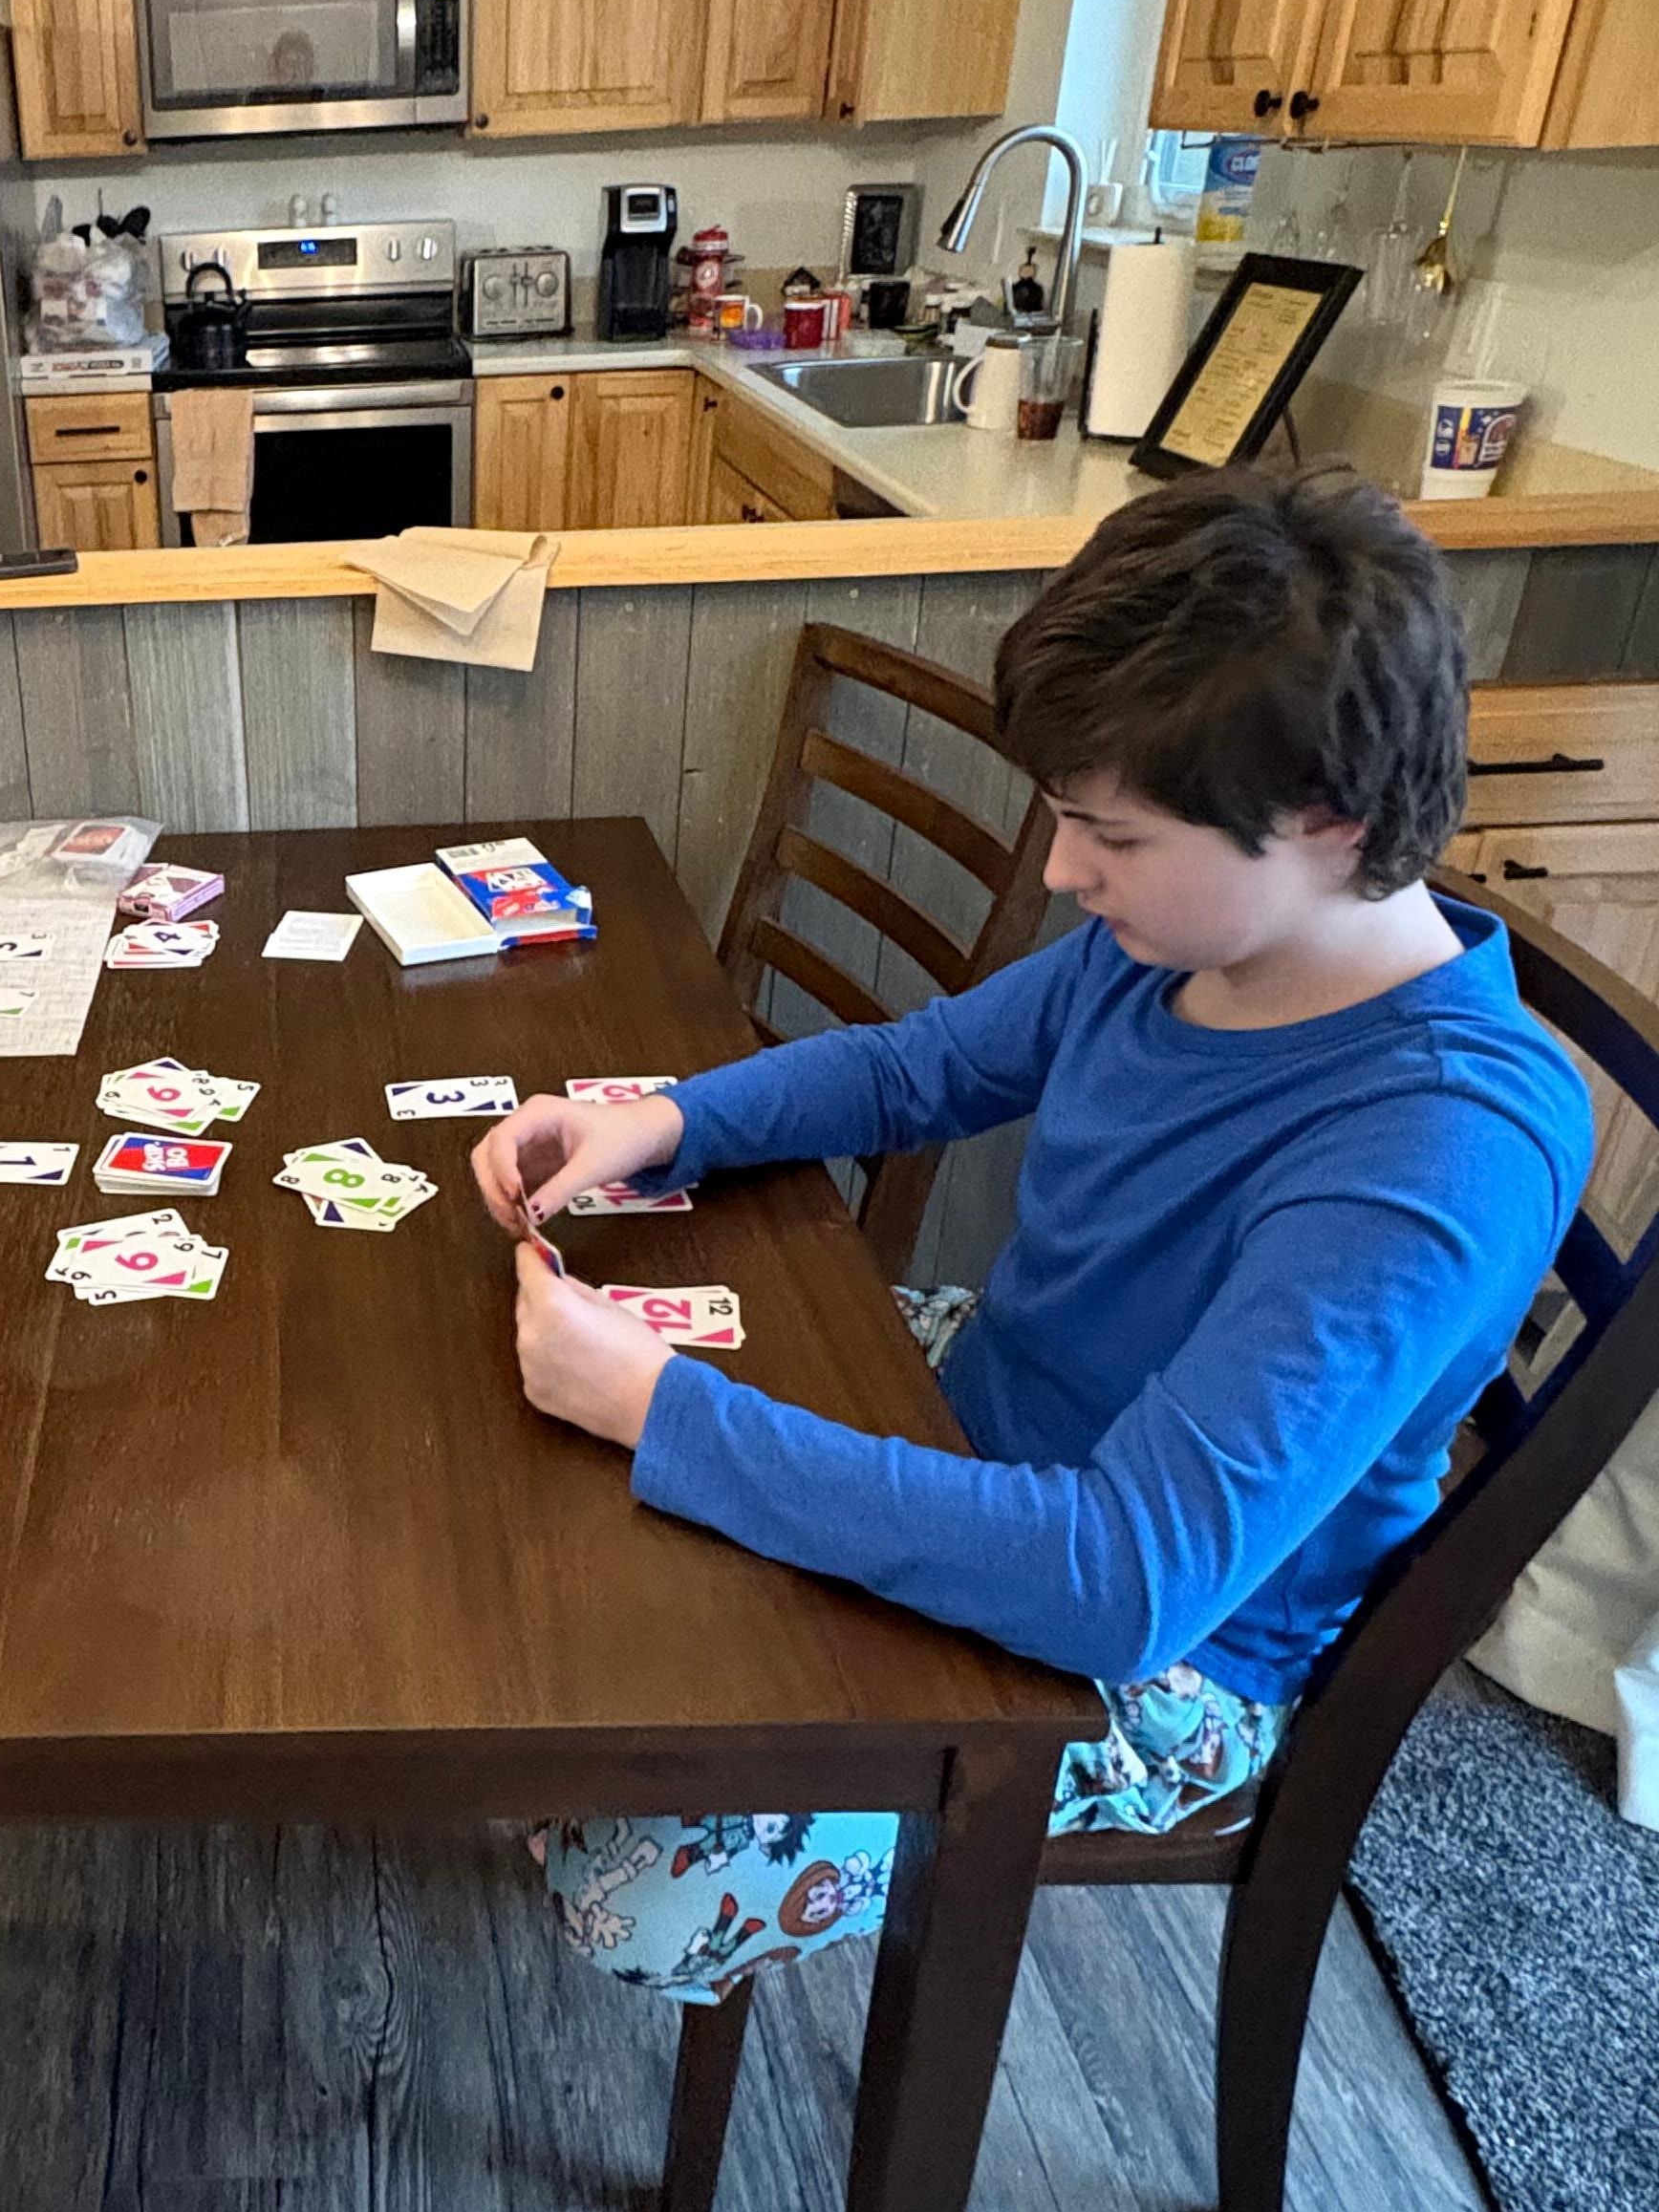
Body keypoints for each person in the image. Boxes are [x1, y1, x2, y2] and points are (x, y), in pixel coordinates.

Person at [471, 464, 1595, 2005]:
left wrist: (667, 1411)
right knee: (540, 1513)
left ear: (1326, 825)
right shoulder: (1184, 940)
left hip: (1161, 1653)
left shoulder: (1440, 1147)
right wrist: (664, 1122)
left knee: (627, 1889)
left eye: (1108, 836)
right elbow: (917, 1068)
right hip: (991, 1408)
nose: (1062, 872)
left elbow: (1123, 1583)